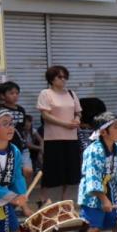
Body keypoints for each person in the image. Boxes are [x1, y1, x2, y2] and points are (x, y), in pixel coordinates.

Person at [36, 65, 83, 202]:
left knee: (70, 167)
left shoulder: (71, 93)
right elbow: (45, 115)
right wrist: (64, 124)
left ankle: (65, 197)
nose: (63, 80)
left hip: (71, 137)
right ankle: (43, 197)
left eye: (65, 77)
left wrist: (76, 120)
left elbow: (78, 112)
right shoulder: (46, 93)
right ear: (51, 79)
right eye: (59, 77)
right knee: (51, 167)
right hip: (53, 137)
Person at [0, 82, 33, 187]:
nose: (15, 95)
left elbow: (22, 129)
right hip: (5, 148)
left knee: (28, 171)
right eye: (11, 93)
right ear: (2, 95)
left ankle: (24, 194)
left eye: (17, 93)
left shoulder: (21, 110)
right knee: (8, 175)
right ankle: (11, 197)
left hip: (21, 146)